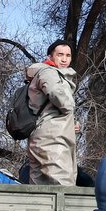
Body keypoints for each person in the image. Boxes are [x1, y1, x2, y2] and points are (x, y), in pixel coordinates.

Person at [26, 41, 78, 185]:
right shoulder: (49, 72)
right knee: (63, 185)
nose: (64, 59)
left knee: (39, 186)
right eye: (60, 54)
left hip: (44, 135)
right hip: (53, 138)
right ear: (50, 56)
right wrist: (69, 111)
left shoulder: (46, 73)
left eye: (68, 55)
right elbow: (60, 97)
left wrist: (71, 122)